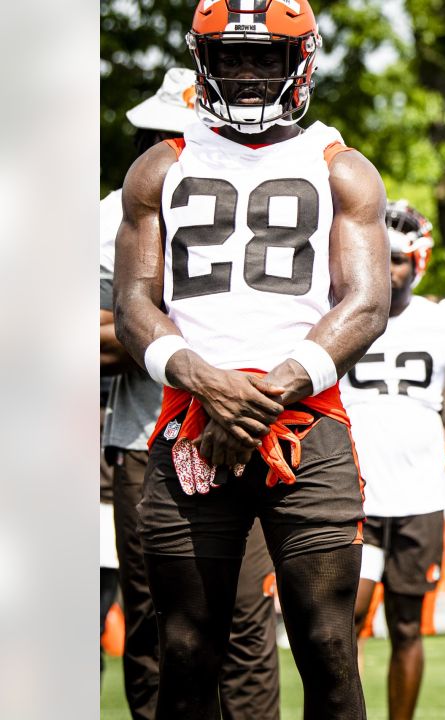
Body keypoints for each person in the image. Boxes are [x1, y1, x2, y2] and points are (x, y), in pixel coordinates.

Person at [112, 2, 389, 717]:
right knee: (184, 649)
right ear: (204, 61)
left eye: (266, 57)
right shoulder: (161, 165)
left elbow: (365, 302)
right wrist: (205, 379)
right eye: (231, 57)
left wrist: (263, 392)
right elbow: (136, 302)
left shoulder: (342, 167)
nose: (247, 73)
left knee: (329, 647)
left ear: (298, 61)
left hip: (306, 423)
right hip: (188, 417)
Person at [100, 66, 281, 719]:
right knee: (155, 625)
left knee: (247, 622)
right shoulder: (106, 220)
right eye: (164, 132)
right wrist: (191, 345)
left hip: (249, 438)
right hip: (148, 443)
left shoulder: (273, 197)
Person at [342, 200, 445, 720]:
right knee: (346, 620)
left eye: (398, 260)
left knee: (407, 626)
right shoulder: (339, 311)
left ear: (419, 263)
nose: (387, 269)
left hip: (417, 498)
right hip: (355, 497)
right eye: (379, 256)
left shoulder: (444, 324)